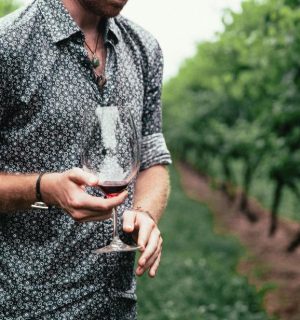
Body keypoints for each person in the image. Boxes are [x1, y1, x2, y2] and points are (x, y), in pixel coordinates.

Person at [0, 0, 171, 318]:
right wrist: (43, 189)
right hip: (26, 307)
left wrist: (145, 212)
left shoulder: (144, 48)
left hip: (116, 305)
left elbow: (151, 159)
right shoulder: (9, 45)